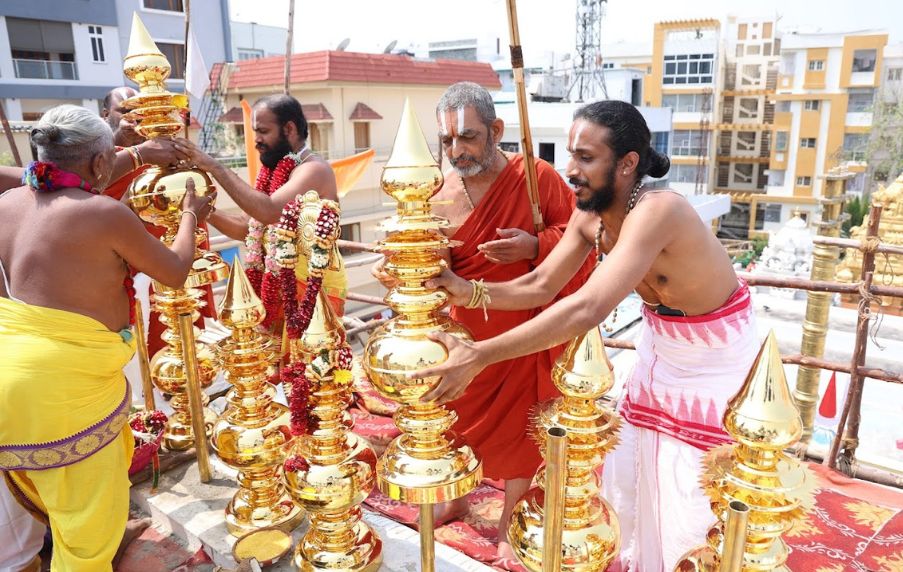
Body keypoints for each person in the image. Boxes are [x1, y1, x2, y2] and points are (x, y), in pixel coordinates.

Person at [413, 100, 760, 571]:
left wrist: (478, 354)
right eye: (570, 156)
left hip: (718, 360)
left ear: (627, 163)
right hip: (659, 348)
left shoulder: (660, 210)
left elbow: (588, 306)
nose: (570, 169)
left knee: (692, 497)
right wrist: (466, 291)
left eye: (586, 158)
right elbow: (540, 286)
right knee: (633, 482)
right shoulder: (589, 215)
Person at [373, 81, 594, 559]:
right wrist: (396, 264)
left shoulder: (534, 177)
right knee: (457, 414)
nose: (456, 150)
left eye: (468, 137)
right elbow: (428, 260)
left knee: (523, 427)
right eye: (447, 141)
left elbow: (581, 236)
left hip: (524, 327)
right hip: (463, 329)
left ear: (495, 130)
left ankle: (513, 518)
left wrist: (535, 245)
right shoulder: (437, 191)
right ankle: (451, 495)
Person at [0, 105, 213, 571]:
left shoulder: (9, 203)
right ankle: (94, 548)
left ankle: (108, 532)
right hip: (60, 386)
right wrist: (190, 216)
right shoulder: (104, 213)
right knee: (83, 537)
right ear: (100, 163)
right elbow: (175, 272)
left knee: (66, 494)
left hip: (14, 369)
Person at [172, 94, 346, 321]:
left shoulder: (314, 169)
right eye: (255, 132)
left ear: (289, 129)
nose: (256, 140)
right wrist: (205, 210)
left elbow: (270, 211)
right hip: (278, 293)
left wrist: (213, 166)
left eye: (263, 131)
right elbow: (246, 229)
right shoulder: (273, 172)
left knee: (309, 356)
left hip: (313, 294)